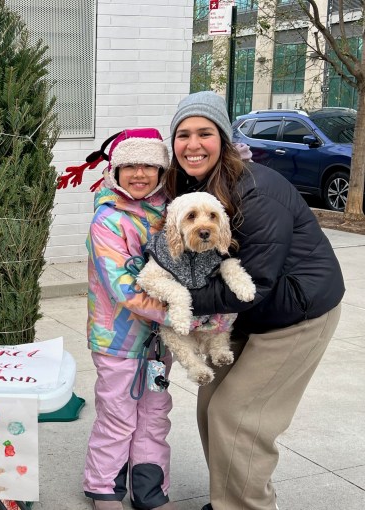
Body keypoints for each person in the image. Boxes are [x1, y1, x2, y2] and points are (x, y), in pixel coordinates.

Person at [164, 91, 344, 510]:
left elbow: (255, 282)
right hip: (248, 315)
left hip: (296, 315)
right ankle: (229, 498)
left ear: (223, 139)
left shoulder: (258, 192)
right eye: (183, 134)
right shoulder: (197, 187)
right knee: (211, 405)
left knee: (238, 416)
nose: (193, 144)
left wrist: (174, 301)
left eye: (204, 133)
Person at [81, 128, 177, 510]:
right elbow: (124, 287)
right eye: (130, 166)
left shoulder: (171, 213)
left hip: (159, 342)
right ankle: (104, 487)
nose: (140, 174)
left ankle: (150, 490)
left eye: (149, 166)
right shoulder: (107, 220)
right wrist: (185, 315)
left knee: (154, 415)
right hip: (116, 341)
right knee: (118, 416)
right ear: (115, 172)